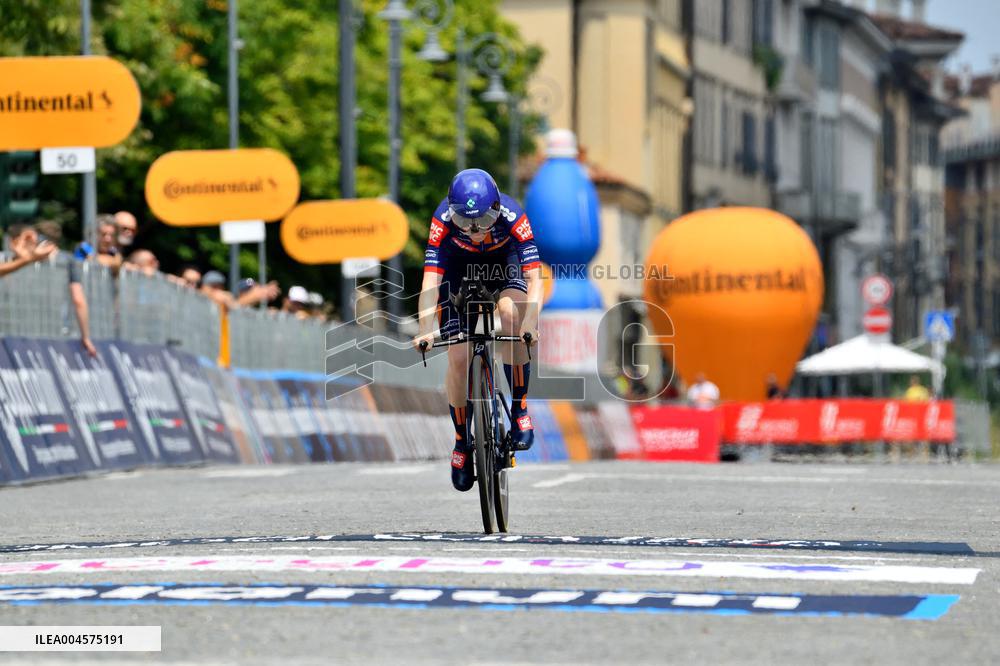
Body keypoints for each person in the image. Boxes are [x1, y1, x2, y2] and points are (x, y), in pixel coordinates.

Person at [411, 168, 542, 492]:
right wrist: (425, 328)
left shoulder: (514, 216)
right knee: (457, 356)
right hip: (457, 270)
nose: (474, 231)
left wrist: (528, 323)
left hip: (503, 264)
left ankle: (519, 409)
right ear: (452, 213)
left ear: (496, 209)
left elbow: (534, 278)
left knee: (512, 316)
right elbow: (431, 281)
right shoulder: (441, 221)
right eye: (465, 223)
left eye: (484, 222)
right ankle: (460, 443)